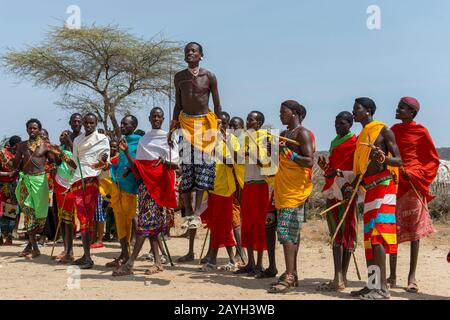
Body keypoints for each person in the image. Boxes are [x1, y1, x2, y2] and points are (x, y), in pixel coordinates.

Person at [170, 42, 222, 262]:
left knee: (203, 173)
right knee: (187, 175)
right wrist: (172, 127)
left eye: (194, 50)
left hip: (206, 125)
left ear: (201, 55)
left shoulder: (209, 76)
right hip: (185, 124)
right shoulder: (179, 77)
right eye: (187, 51)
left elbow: (217, 105)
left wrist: (221, 127)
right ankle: (191, 216)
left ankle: (197, 214)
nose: (190, 53)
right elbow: (178, 104)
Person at [113, 107, 179, 276]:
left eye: (159, 116)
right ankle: (158, 263)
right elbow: (138, 168)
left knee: (144, 225)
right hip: (144, 186)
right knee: (152, 226)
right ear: (149, 118)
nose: (156, 118)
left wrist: (164, 161)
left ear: (163, 118)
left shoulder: (169, 137)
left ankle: (130, 264)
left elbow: (176, 165)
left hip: (159, 186)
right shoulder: (144, 140)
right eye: (153, 116)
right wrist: (127, 153)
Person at [349, 97, 402, 300]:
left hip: (384, 187)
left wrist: (384, 158)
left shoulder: (383, 130)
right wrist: (352, 187)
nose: (354, 112)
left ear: (368, 110)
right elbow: (362, 168)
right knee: (370, 240)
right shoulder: (362, 135)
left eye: (357, 109)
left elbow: (398, 160)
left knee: (377, 236)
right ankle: (372, 285)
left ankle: (382, 288)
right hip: (369, 189)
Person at [388, 97, 440, 293]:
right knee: (392, 229)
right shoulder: (393, 130)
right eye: (398, 106)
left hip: (413, 184)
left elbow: (432, 159)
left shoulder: (421, 132)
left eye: (402, 107)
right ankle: (391, 275)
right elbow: (390, 155)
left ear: (411, 112)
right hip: (395, 183)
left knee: (415, 234)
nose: (397, 109)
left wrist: (415, 173)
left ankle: (412, 276)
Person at [268, 100, 315, 293]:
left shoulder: (302, 134)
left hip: (295, 190)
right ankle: (292, 273)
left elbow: (309, 161)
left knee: (286, 232)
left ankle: (288, 275)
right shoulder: (284, 134)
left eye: (283, 112)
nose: (280, 115)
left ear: (294, 113)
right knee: (291, 232)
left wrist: (289, 153)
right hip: (283, 188)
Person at [317, 111, 358, 291]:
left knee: (347, 232)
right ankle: (337, 276)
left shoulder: (355, 142)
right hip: (333, 190)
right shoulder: (334, 142)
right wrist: (325, 167)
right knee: (335, 234)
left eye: (341, 123)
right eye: (336, 123)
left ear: (350, 125)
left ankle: (343, 277)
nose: (337, 126)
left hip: (347, 191)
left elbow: (357, 169)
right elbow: (333, 168)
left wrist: (340, 174)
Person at [199, 111, 243, 272]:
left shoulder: (232, 140)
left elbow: (234, 163)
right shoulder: (209, 139)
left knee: (222, 225)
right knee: (215, 224)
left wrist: (220, 153)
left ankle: (229, 258)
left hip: (225, 188)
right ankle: (214, 259)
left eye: (224, 123)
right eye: (218, 123)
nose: (221, 126)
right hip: (210, 188)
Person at [67, 113, 110, 269]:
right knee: (81, 217)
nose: (88, 125)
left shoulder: (102, 139)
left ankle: (88, 258)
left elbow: (105, 163)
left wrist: (103, 161)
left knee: (87, 218)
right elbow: (74, 162)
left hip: (92, 180)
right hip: (78, 180)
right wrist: (61, 156)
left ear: (96, 123)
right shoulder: (77, 140)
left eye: (91, 122)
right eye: (86, 123)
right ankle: (86, 256)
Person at [12, 119, 59, 259]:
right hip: (25, 181)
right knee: (28, 213)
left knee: (39, 216)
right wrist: (18, 154)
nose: (32, 130)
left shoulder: (45, 145)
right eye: (30, 128)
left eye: (35, 128)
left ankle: (29, 246)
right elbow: (16, 165)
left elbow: (53, 163)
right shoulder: (22, 145)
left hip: (40, 182)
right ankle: (36, 249)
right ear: (26, 129)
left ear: (39, 130)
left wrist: (56, 159)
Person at [234, 111, 271, 277]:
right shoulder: (246, 138)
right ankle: (249, 262)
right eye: (247, 119)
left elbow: (268, 164)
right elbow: (236, 159)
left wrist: (251, 153)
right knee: (247, 223)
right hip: (247, 185)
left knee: (260, 225)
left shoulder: (266, 138)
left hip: (261, 185)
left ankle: (260, 264)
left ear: (260, 123)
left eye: (252, 120)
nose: (248, 122)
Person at [105, 116, 141, 267]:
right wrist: (108, 167)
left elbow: (139, 163)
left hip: (130, 187)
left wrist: (130, 168)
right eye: (121, 124)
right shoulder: (122, 141)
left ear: (134, 125)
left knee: (129, 218)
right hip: (117, 184)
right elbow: (119, 164)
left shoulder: (140, 142)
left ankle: (129, 255)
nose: (122, 126)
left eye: (125, 124)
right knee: (119, 220)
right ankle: (123, 254)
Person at [52, 130, 76, 263]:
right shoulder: (59, 149)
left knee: (68, 220)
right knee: (61, 218)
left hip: (70, 185)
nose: (63, 136)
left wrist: (70, 143)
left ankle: (70, 251)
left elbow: (76, 163)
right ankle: (65, 249)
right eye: (61, 134)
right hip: (59, 184)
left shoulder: (75, 148)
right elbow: (56, 162)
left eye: (66, 135)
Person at [0, 135, 22, 246]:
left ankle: (8, 237)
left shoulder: (18, 155)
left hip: (13, 186)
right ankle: (1, 235)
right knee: (1, 212)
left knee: (11, 213)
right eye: (18, 146)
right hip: (1, 186)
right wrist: (7, 174)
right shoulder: (2, 153)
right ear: (14, 145)